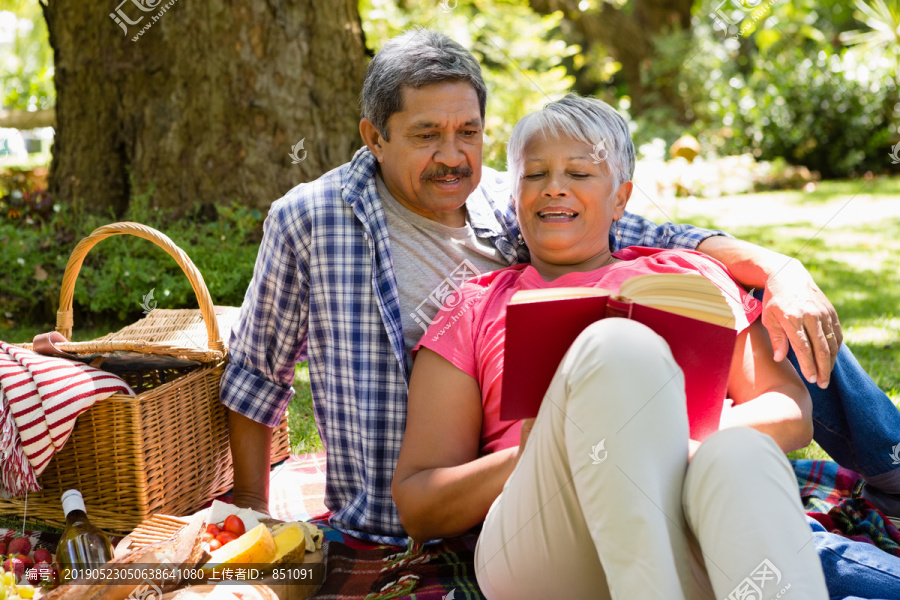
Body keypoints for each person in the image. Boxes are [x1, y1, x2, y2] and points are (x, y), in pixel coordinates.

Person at [219, 28, 900, 545]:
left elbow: (643, 232)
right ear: (374, 136)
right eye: (427, 135)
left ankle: (890, 468)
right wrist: (253, 518)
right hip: (429, 499)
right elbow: (258, 374)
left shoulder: (505, 197)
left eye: (469, 133)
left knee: (762, 305)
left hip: (595, 460)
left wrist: (782, 269)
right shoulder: (309, 220)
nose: (454, 156)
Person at [392, 94, 830, 599]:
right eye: (534, 175)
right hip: (545, 541)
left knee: (739, 455)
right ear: (515, 198)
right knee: (616, 346)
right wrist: (537, 452)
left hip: (692, 525)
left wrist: (659, 441)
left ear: (620, 198)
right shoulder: (474, 307)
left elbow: (792, 411)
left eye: (578, 174)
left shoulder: (687, 276)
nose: (554, 189)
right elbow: (419, 505)